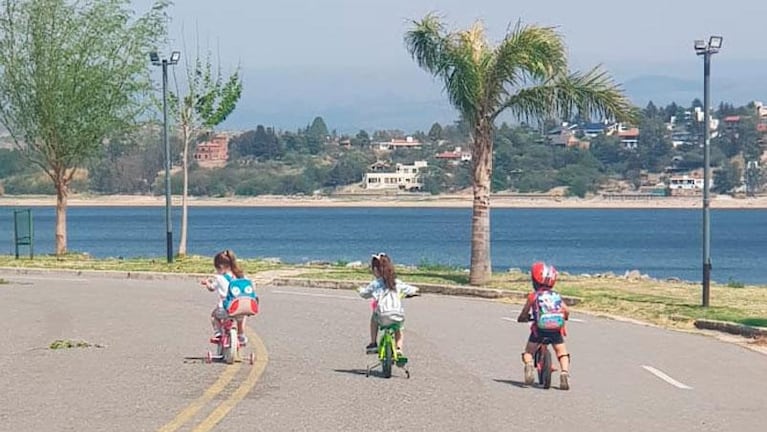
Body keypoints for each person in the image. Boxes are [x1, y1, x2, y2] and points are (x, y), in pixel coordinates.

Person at [516, 261, 571, 390]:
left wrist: (522, 318)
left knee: (529, 351)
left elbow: (525, 312)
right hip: (556, 330)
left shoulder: (534, 296)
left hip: (539, 329)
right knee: (562, 352)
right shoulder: (556, 296)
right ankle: (564, 373)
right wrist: (565, 317)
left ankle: (529, 365)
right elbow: (566, 310)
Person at [358, 253, 418, 357]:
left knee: (374, 317)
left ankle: (373, 343)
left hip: (382, 315)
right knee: (398, 328)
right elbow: (412, 289)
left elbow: (364, 294)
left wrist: (360, 290)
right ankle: (399, 348)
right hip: (397, 315)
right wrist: (414, 292)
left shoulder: (376, 284)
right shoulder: (396, 282)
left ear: (376, 270)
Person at [201, 249, 249, 344]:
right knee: (241, 318)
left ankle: (218, 334)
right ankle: (241, 335)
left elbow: (211, 288)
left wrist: (207, 283)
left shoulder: (219, 278)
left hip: (225, 309)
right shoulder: (241, 276)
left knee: (214, 316)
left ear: (221, 266)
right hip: (240, 307)